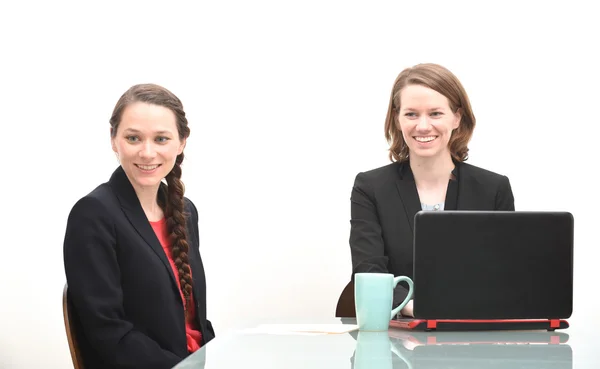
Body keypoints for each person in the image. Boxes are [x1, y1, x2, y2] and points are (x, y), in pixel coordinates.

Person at [63, 84, 215, 369]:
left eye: (161, 139)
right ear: (113, 140)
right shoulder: (93, 215)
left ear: (181, 142)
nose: (147, 152)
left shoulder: (185, 211)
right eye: (133, 138)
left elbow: (196, 320)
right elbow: (108, 332)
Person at [349, 63, 515, 317]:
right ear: (397, 118)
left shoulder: (493, 189)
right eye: (411, 114)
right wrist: (418, 310)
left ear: (457, 117)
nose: (423, 126)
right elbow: (369, 273)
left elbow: (504, 274)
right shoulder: (370, 188)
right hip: (397, 337)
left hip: (471, 334)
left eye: (436, 113)